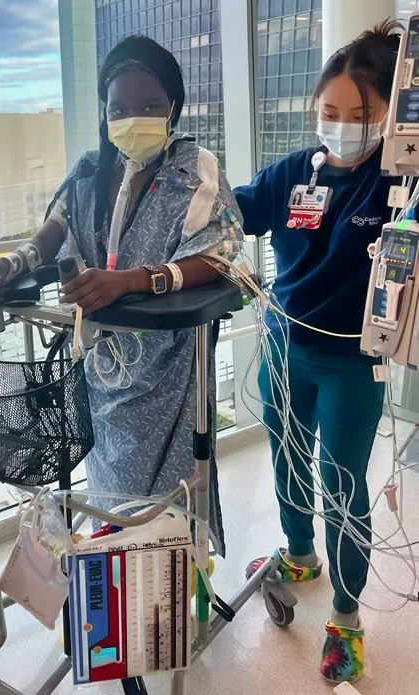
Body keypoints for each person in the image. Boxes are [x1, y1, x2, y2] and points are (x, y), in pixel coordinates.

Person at [0, 35, 243, 553]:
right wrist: (9, 267)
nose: (132, 118)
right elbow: (47, 236)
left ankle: (176, 588)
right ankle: (116, 580)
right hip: (101, 364)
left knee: (171, 498)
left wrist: (135, 278)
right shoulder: (89, 173)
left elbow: (221, 254)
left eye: (149, 106)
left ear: (173, 109)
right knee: (110, 489)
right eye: (119, 108)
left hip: (170, 371)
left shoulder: (194, 168)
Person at [234, 20, 402, 684]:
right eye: (328, 111)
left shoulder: (398, 182)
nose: (340, 125)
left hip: (354, 365)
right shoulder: (293, 173)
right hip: (284, 346)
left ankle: (347, 616)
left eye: (359, 114)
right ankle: (299, 553)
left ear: (390, 113)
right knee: (285, 455)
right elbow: (235, 211)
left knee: (342, 483)